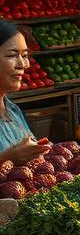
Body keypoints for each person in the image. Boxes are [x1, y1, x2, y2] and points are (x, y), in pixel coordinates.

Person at [0, 20, 47, 165]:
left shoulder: (13, 111)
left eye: (25, 55)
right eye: (12, 55)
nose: (23, 64)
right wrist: (5, 159)